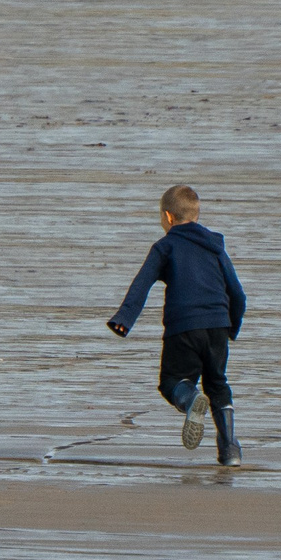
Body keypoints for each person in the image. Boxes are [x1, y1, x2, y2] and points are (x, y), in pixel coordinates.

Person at [107, 184, 247, 465]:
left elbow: (141, 284)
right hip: (217, 325)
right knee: (218, 384)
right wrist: (232, 325)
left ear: (168, 218)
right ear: (195, 215)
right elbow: (237, 292)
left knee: (172, 381)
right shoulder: (216, 247)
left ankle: (190, 399)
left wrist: (124, 319)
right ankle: (230, 450)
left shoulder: (165, 246)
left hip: (183, 327)